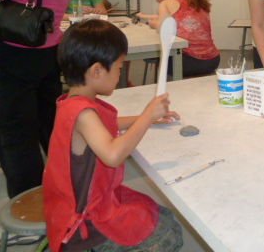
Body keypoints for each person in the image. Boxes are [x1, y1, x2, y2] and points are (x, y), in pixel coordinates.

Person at [43, 19, 183, 252]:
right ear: (97, 70)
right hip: (83, 223)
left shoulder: (72, 103)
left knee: (162, 215)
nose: (120, 74)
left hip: (81, 204)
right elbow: (112, 155)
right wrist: (147, 116)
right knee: (169, 236)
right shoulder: (83, 113)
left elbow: (103, 126)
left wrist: (145, 119)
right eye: (119, 68)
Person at [0, 0, 92, 198]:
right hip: (48, 53)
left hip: (12, 54)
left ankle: (29, 206)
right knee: (49, 127)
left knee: (16, 136)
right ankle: (65, 191)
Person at [158, 0, 220, 77]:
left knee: (160, 58)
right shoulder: (201, 3)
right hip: (212, 61)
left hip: (186, 61)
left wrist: (153, 24)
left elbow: (163, 28)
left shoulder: (167, 3)